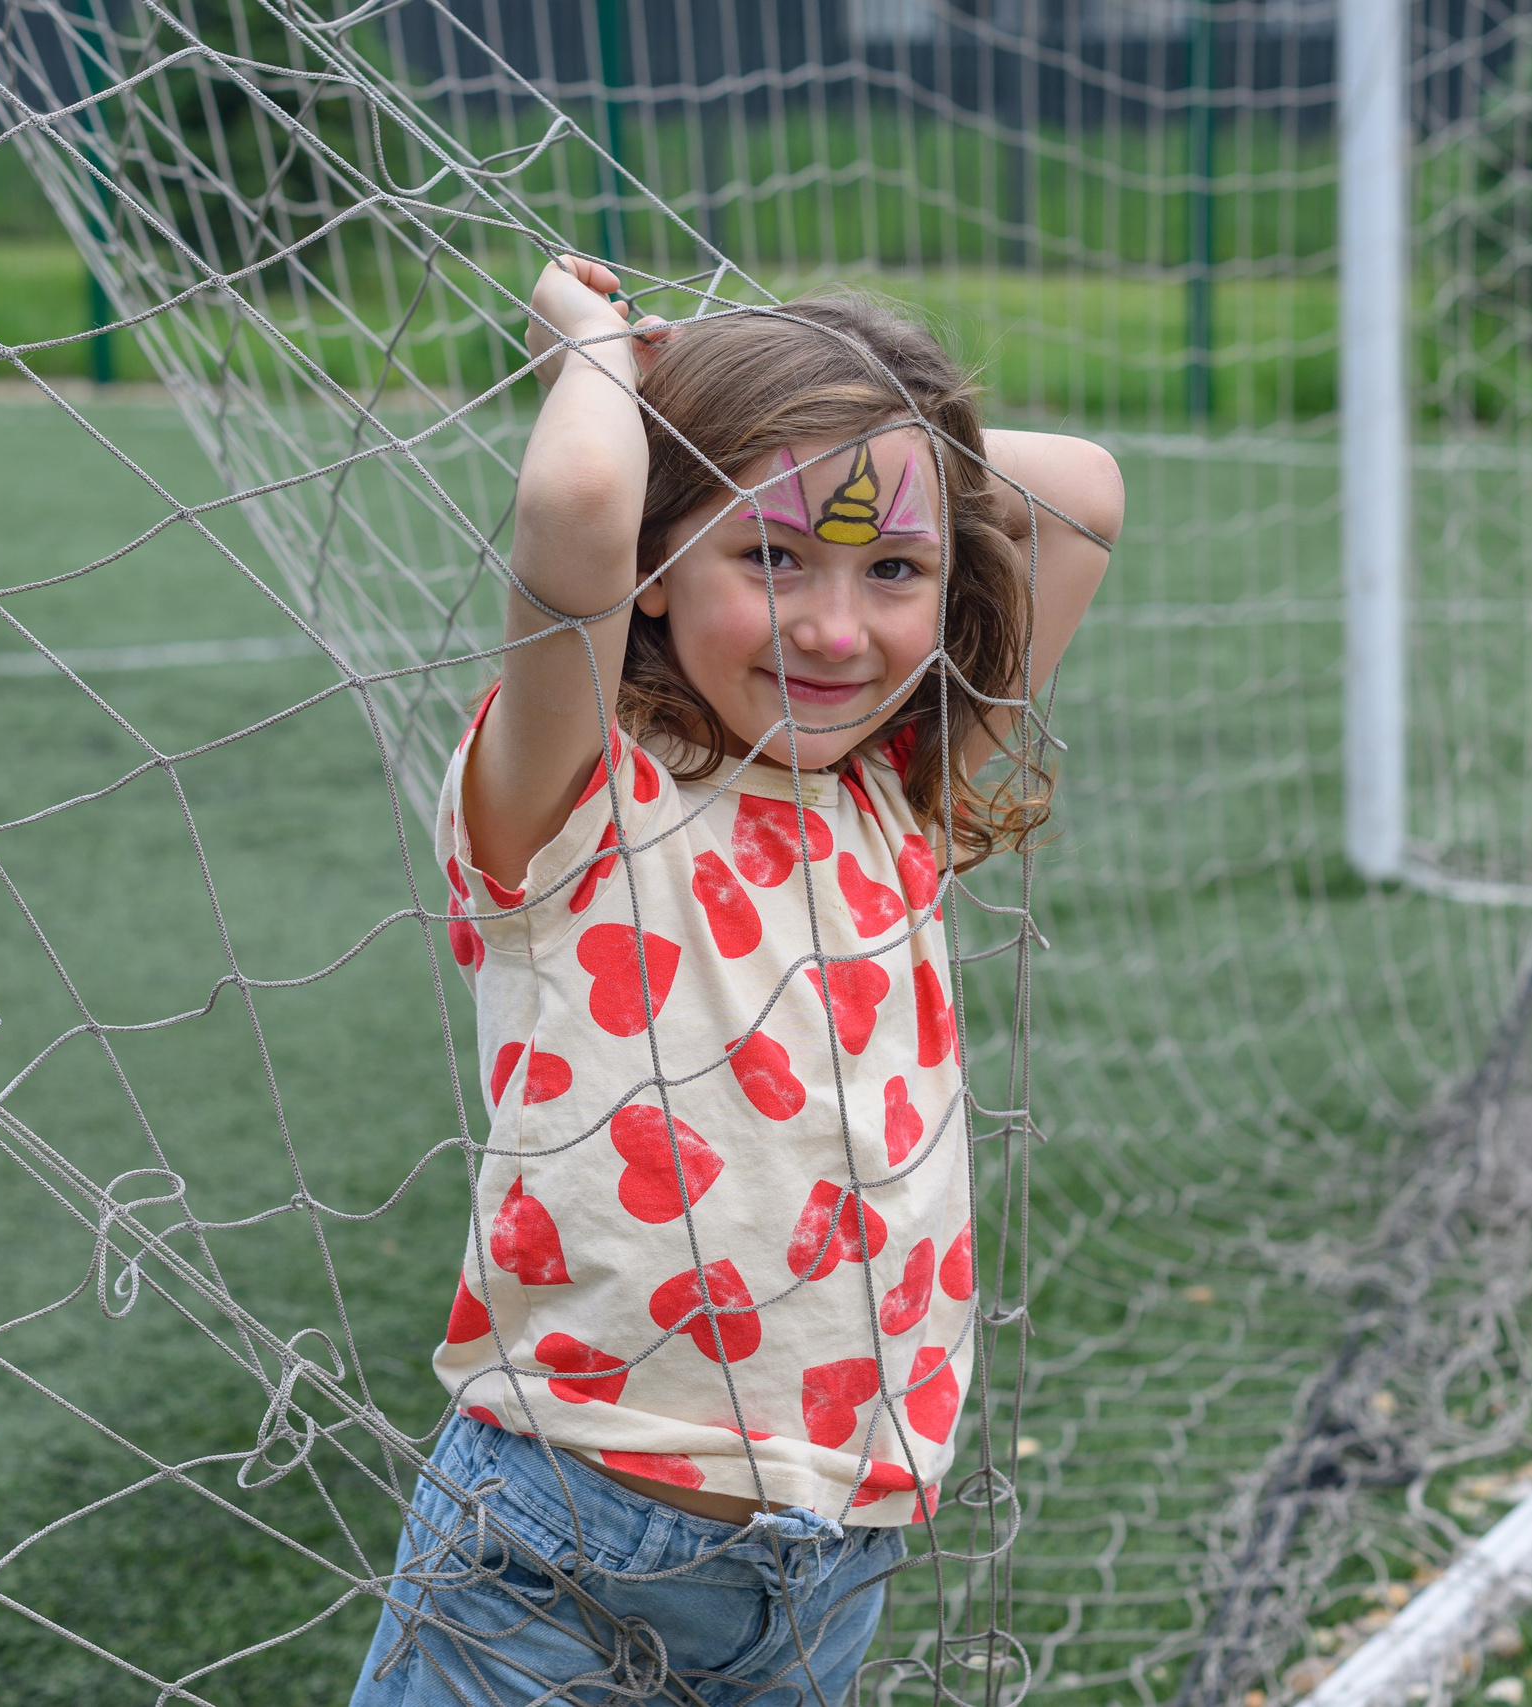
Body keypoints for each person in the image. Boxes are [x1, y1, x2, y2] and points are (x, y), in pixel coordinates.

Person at [349, 257, 1121, 1706]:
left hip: (828, 1560)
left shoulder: (898, 800)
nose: (838, 631)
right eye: (771, 557)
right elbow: (575, 515)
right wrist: (608, 357)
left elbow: (1079, 493)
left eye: (893, 567)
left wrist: (784, 400)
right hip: (559, 1540)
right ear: (653, 572)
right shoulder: (579, 792)